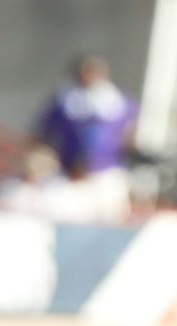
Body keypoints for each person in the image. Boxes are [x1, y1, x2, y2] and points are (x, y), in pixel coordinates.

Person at [35, 55, 137, 223]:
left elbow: (128, 133)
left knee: (111, 217)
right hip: (69, 172)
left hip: (106, 170)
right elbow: (45, 131)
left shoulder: (119, 102)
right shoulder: (63, 102)